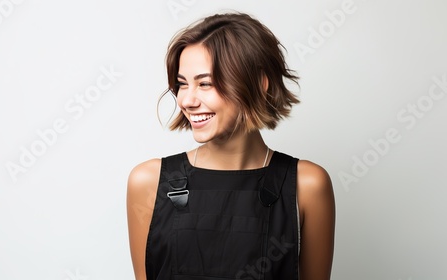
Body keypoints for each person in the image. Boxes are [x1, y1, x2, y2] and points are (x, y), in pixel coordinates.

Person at [127, 12, 335, 280]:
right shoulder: (148, 182)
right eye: (182, 84)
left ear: (260, 84)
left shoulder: (308, 185)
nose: (187, 100)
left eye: (205, 83)